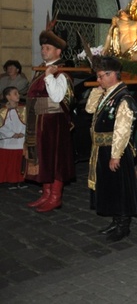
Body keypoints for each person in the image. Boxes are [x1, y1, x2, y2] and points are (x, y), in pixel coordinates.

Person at [85, 57, 137, 242]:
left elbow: (122, 129)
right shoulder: (107, 93)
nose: (99, 80)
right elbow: (89, 108)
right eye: (98, 76)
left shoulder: (123, 98)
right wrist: (97, 90)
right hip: (102, 149)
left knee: (119, 188)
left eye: (101, 76)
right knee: (109, 186)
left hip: (115, 150)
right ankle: (115, 220)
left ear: (112, 75)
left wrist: (115, 155)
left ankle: (123, 225)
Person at [25, 25, 75, 213]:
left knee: (55, 160)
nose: (43, 51)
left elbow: (57, 97)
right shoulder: (42, 70)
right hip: (39, 123)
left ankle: (55, 197)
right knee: (44, 159)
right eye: (42, 48)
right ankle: (46, 194)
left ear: (58, 51)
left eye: (47, 48)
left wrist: (48, 76)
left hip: (53, 124)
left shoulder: (61, 72)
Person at [0, 87, 26, 189]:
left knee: (19, 162)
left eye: (18, 93)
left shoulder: (23, 109)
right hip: (8, 141)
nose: (18, 95)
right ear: (8, 97)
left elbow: (27, 123)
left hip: (20, 140)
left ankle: (19, 180)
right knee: (8, 162)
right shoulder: (2, 110)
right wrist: (11, 134)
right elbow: (1, 126)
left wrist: (22, 132)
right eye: (15, 93)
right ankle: (8, 179)